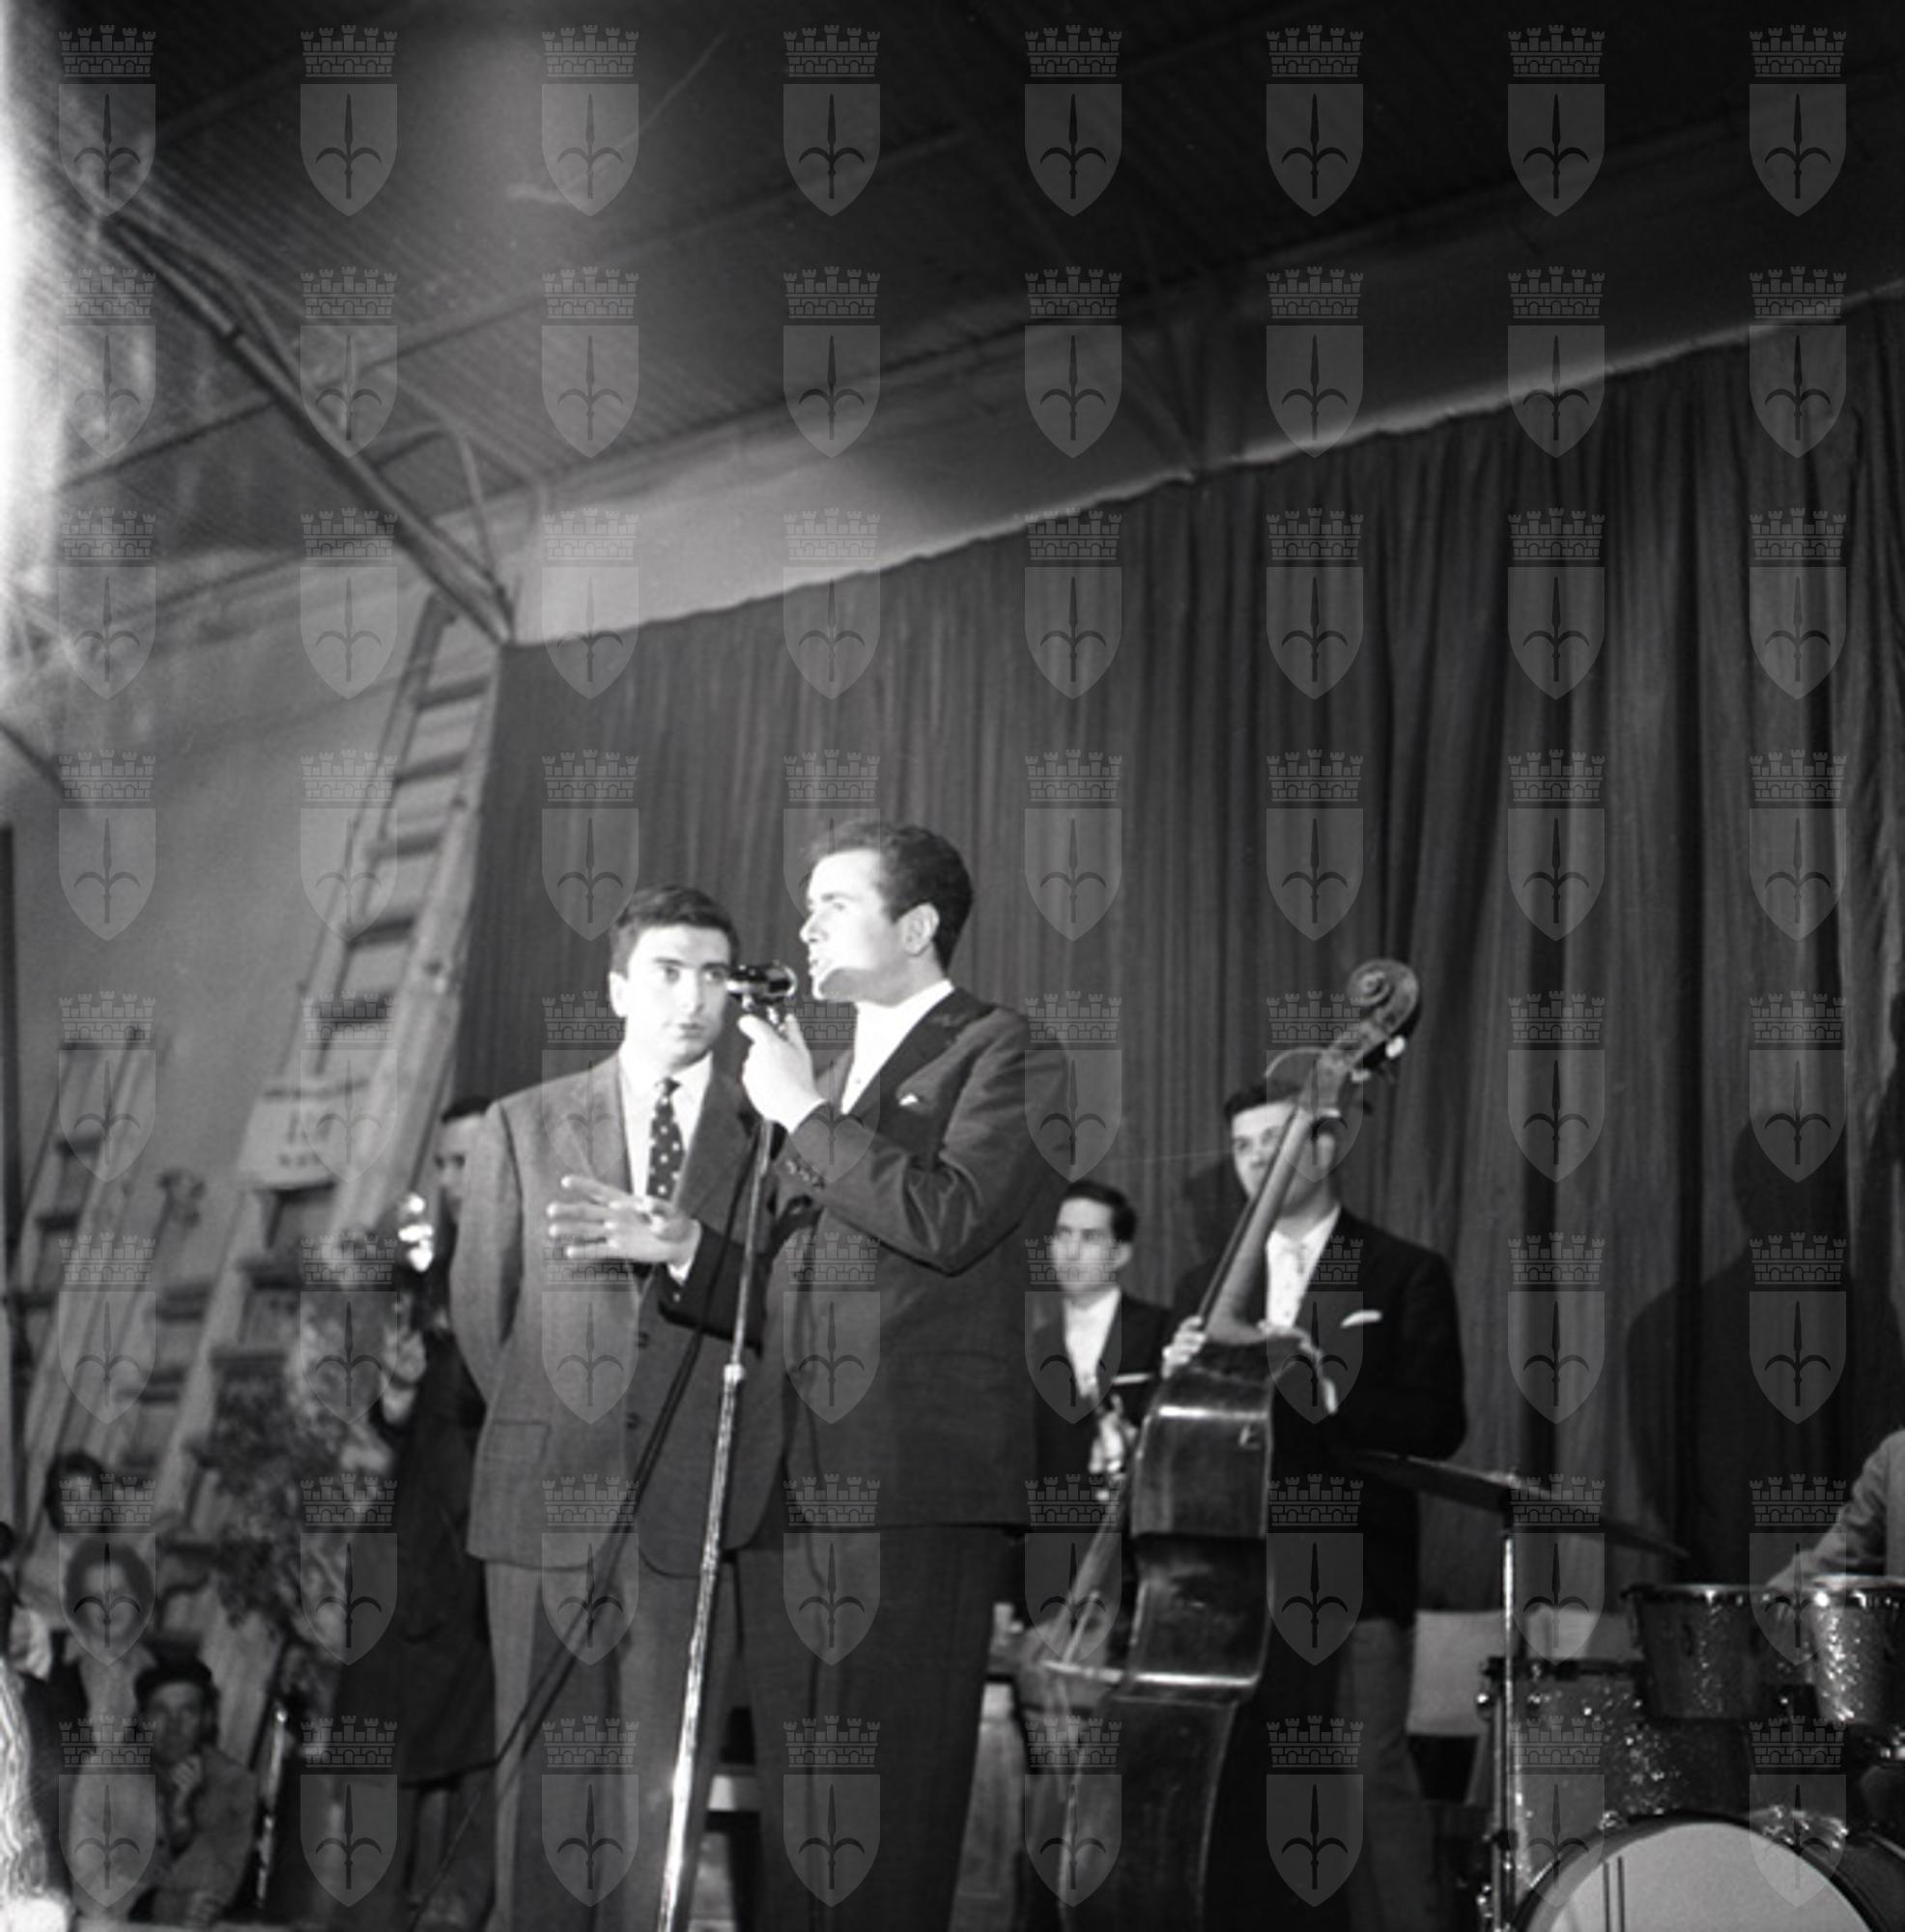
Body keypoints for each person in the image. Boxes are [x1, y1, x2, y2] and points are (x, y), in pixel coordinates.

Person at [722, 819, 1065, 1929]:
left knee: (888, 1805)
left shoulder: (1004, 1049)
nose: (807, 924)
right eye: (806, 903)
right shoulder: (818, 1077)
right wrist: (679, 1252)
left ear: (916, 926)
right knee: (800, 1814)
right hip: (787, 1478)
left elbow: (950, 1216)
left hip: (910, 1480)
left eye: (835, 901)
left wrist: (801, 1114)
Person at [454, 885, 776, 1930]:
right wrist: (569, 1422)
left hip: (692, 1508)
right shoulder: (524, 1124)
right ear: (618, 989)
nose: (693, 997)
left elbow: (794, 1311)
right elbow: (485, 1316)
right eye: (667, 971)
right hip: (546, 1499)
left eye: (714, 975)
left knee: (656, 1807)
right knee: (538, 1800)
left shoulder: (775, 1133)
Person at [1167, 1073, 1466, 1932]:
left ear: (1327, 1146)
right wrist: (1181, 1376)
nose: (1256, 1160)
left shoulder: (1404, 1270)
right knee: (1242, 1797)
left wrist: (1322, 1386)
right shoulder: (1207, 1286)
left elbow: (1438, 1422)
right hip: (1230, 1580)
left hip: (1355, 1576)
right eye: (1243, 1147)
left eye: (1277, 1140)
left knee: (1363, 1783)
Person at [339, 1094, 497, 1931]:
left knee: (485, 1743)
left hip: (483, 1547)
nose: (450, 1180)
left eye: (466, 1163)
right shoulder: (432, 1275)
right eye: (443, 1164)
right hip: (407, 1539)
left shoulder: (524, 1273)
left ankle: (453, 1914)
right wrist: (396, 1395)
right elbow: (406, 1423)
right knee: (375, 1728)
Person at [66, 1654, 258, 1927]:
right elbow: (87, 1881)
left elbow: (219, 1890)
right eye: (160, 1712)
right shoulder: (103, 1774)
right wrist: (152, 1904)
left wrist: (181, 1824)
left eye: (188, 1712)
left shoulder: (234, 1783)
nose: (174, 1727)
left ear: (206, 1719)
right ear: (142, 1720)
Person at [1030, 1179, 1173, 1491]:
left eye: (1090, 1238)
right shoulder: (1032, 1346)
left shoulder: (1163, 1331)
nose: (1072, 1252)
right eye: (1062, 1235)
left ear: (1120, 1254)